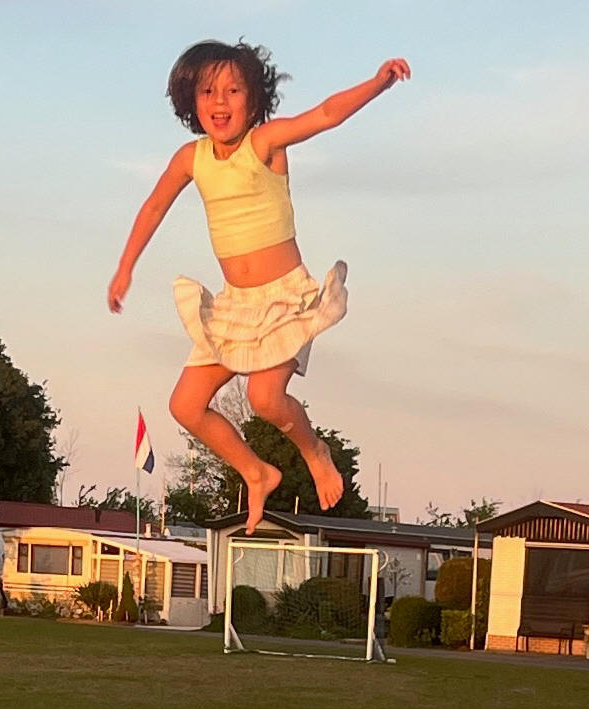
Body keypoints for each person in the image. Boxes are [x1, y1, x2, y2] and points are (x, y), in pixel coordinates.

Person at [108, 40, 410, 533]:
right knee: (185, 405)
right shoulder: (191, 158)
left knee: (266, 398)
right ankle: (256, 471)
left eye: (233, 90)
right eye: (208, 91)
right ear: (190, 100)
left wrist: (378, 83)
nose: (220, 102)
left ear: (254, 99)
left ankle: (314, 452)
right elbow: (154, 206)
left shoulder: (264, 143)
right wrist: (126, 268)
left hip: (285, 300)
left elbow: (327, 114)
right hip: (236, 307)